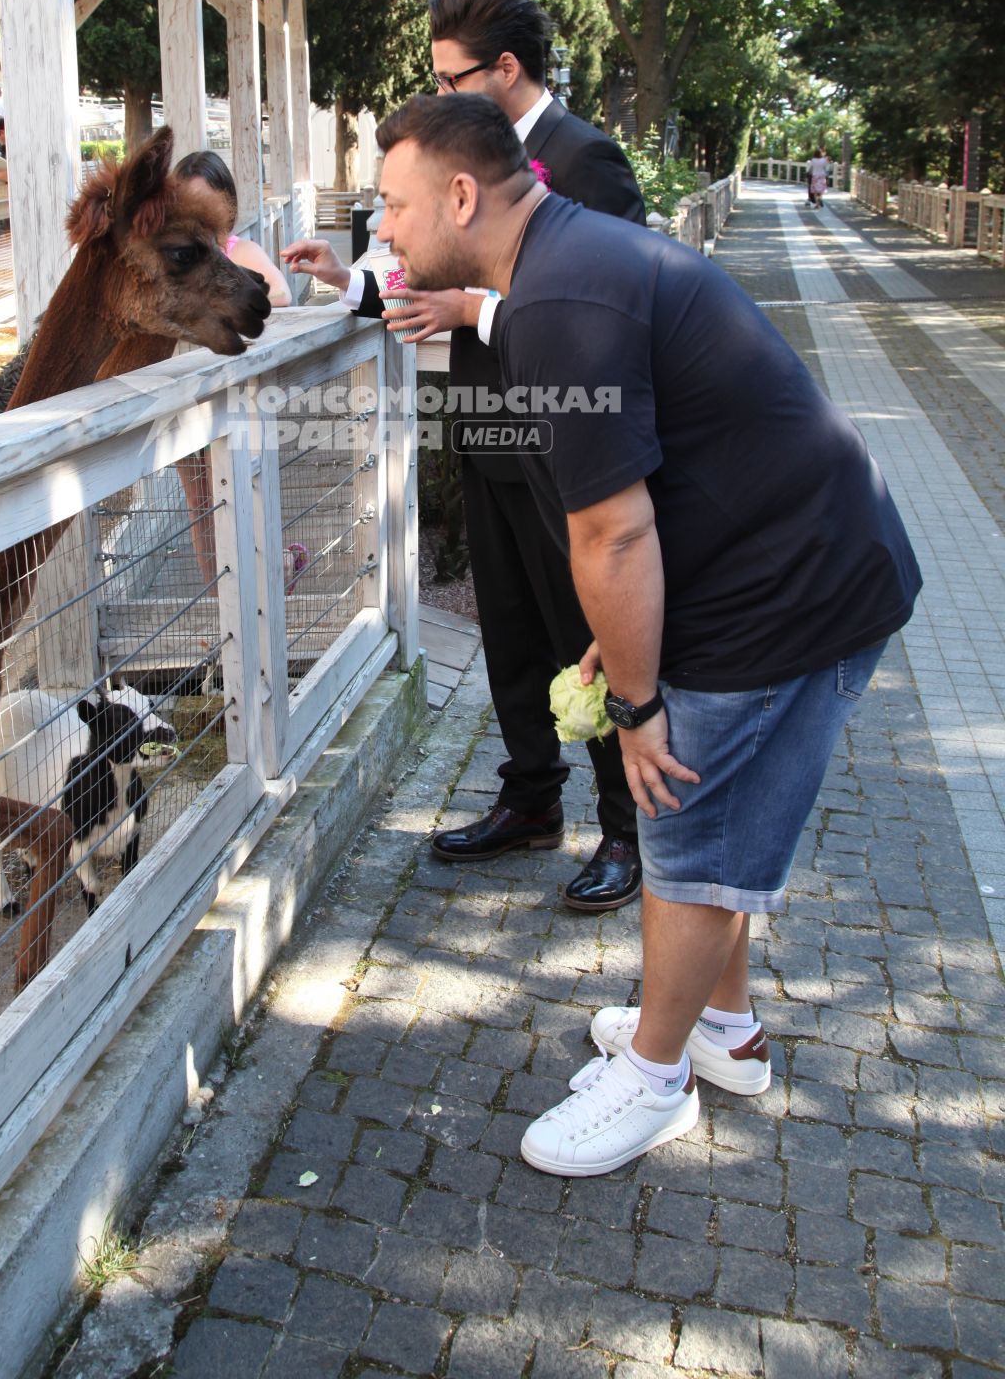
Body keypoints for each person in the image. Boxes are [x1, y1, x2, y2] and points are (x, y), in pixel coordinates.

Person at [370, 92, 920, 1177]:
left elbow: (611, 532)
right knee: (713, 828)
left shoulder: (561, 302)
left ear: (461, 194)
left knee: (687, 839)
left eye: (391, 203)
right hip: (789, 565)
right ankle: (724, 1033)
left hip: (784, 597)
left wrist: (635, 705)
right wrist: (620, 653)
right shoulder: (564, 261)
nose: (381, 227)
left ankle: (656, 1076)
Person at [283, 0, 646, 914]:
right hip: (484, 435)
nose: (439, 97)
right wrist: (351, 286)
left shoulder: (585, 160)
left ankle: (627, 824)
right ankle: (530, 798)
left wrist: (476, 308)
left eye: (451, 80)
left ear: (507, 70)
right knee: (512, 633)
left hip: (569, 444)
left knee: (587, 632)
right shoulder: (457, 168)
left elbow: (608, 311)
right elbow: (423, 284)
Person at [171, 152, 293, 586]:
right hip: (186, 399)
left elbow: (280, 293)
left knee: (246, 491)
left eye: (206, 204)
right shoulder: (172, 262)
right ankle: (216, 596)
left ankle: (268, 578)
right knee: (200, 502)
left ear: (227, 207)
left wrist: (227, 306)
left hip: (238, 399)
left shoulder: (241, 253)